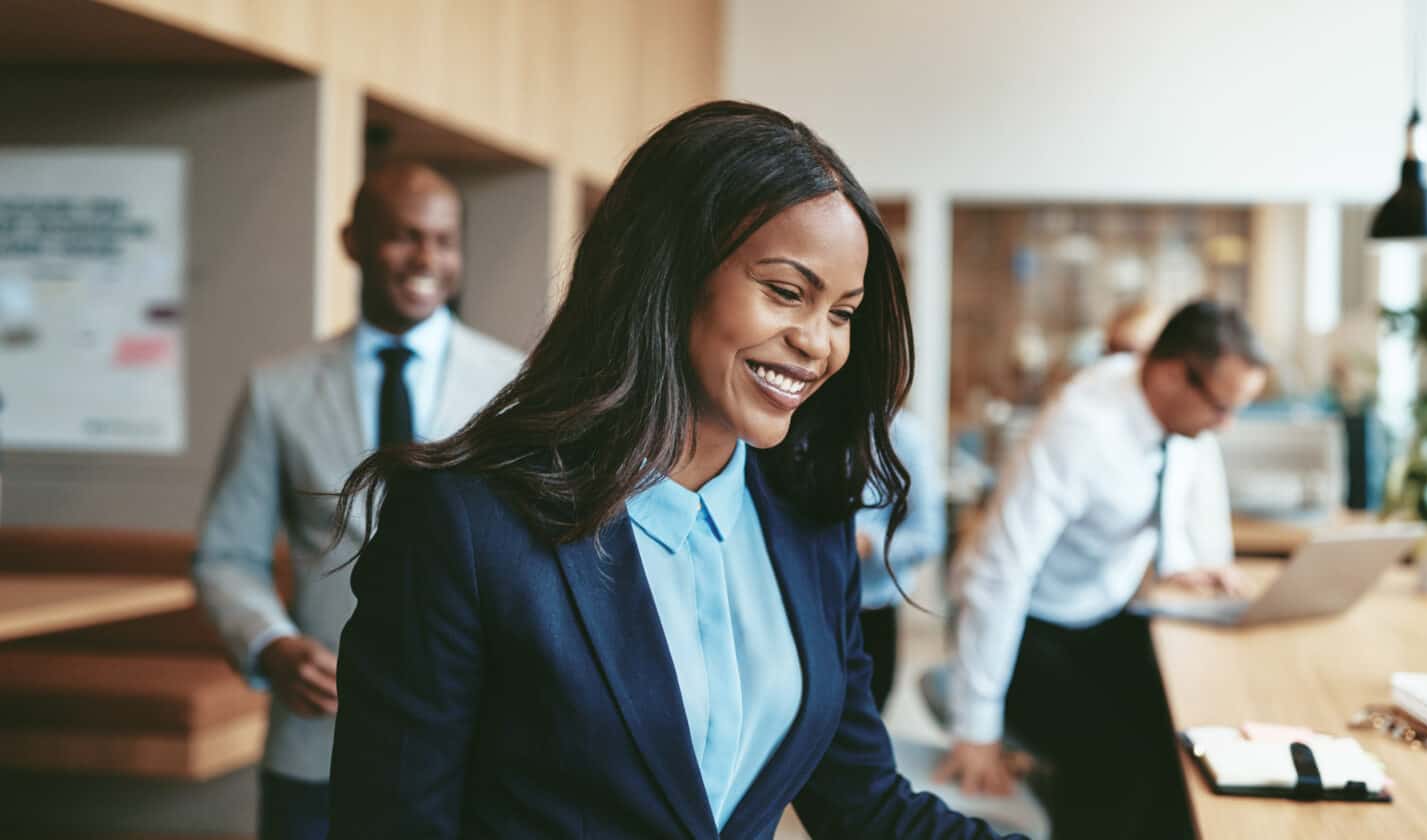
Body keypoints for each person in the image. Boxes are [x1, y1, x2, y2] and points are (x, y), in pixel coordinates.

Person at [325, 101, 1018, 839]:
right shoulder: (464, 526)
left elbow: (866, 808)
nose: (818, 343)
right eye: (787, 292)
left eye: (843, 312)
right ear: (670, 272)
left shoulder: (809, 525)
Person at [192, 163, 524, 840]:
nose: (426, 258)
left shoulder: (516, 386)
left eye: (443, 239)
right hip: (317, 741)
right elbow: (227, 555)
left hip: (480, 743)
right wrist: (272, 643)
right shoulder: (276, 390)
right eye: (404, 236)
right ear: (353, 242)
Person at [935, 300, 1268, 839]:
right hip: (1028, 621)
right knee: (1117, 767)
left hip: (1099, 609)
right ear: (1171, 373)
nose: (1225, 426)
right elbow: (999, 573)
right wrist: (975, 728)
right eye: (1220, 407)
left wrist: (1188, 562)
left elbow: (1176, 485)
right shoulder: (1082, 430)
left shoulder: (1172, 414)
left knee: (1187, 734)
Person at [856, 410, 946, 711]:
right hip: (806, 609)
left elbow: (928, 537)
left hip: (870, 614)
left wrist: (866, 542)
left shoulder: (907, 439)